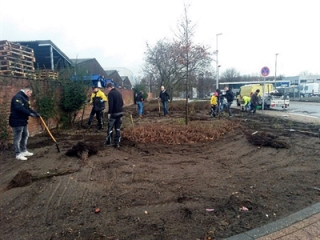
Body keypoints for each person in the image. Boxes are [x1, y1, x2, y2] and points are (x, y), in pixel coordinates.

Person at [9, 86, 40, 161]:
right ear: (27, 91)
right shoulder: (18, 97)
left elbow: (28, 108)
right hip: (16, 120)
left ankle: (24, 151)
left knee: (25, 135)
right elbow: (19, 108)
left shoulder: (25, 98)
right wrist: (29, 114)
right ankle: (18, 154)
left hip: (23, 121)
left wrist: (35, 113)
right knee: (18, 138)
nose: (30, 95)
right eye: (30, 93)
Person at [105, 83, 124, 148]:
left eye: (107, 88)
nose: (108, 90)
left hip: (114, 113)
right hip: (120, 112)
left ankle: (108, 141)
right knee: (118, 128)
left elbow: (111, 104)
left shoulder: (110, 94)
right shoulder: (119, 93)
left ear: (109, 87)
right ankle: (117, 143)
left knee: (110, 127)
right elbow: (122, 103)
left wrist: (109, 113)